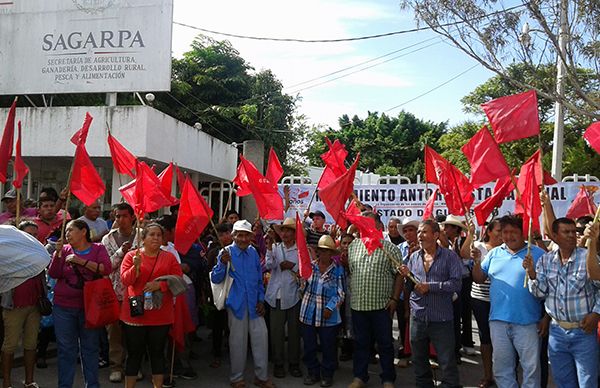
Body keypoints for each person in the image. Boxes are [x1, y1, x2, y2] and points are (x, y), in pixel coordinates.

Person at [472, 214, 546, 388]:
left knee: (531, 369)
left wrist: (546, 318)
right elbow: (479, 278)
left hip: (528, 322)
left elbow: (548, 289)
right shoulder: (494, 253)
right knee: (502, 369)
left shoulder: (538, 254)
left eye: (514, 232)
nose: (509, 236)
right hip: (498, 321)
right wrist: (476, 261)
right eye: (505, 232)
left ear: (523, 233)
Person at [524, 217, 600, 387]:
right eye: (566, 232)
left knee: (587, 382)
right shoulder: (545, 260)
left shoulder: (588, 258)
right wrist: (532, 275)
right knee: (563, 382)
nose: (572, 235)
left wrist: (597, 313)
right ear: (555, 236)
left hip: (584, 332)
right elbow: (539, 293)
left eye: (574, 232)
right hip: (557, 333)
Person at [210, 220, 275, 388]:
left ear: (251, 237)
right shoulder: (226, 253)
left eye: (246, 235)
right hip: (236, 304)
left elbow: (259, 280)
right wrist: (222, 263)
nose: (243, 239)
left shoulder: (253, 253)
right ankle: (236, 378)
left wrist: (261, 299)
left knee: (261, 338)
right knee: (237, 342)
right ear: (234, 236)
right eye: (240, 235)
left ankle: (261, 376)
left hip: (255, 304)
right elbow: (215, 279)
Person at [48, 219, 111, 388]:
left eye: (70, 230)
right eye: (66, 231)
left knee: (89, 348)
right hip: (63, 307)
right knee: (66, 350)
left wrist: (80, 261)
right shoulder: (64, 250)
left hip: (90, 306)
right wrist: (57, 255)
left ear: (83, 232)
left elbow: (106, 268)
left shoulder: (98, 248)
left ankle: (92, 385)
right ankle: (65, 385)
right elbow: (54, 274)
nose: (67, 234)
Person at [120, 222, 184, 388]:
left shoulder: (169, 257)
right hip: (135, 315)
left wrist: (160, 286)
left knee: (157, 354)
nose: (155, 238)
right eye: (151, 235)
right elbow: (126, 281)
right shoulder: (132, 256)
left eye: (159, 235)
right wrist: (136, 266)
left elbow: (178, 280)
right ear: (143, 238)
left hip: (160, 315)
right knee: (134, 354)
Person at [400, 219, 462, 388]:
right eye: (419, 232)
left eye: (424, 232)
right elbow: (411, 286)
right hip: (418, 317)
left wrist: (431, 287)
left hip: (441, 318)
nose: (420, 235)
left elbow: (456, 284)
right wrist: (407, 275)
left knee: (447, 361)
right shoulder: (413, 257)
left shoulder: (450, 257)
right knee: (419, 361)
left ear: (435, 235)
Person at [347, 212, 403, 388]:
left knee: (385, 344)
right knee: (361, 343)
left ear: (379, 227)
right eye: (362, 223)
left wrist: (394, 298)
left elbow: (400, 276)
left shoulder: (390, 249)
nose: (365, 227)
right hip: (358, 305)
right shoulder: (353, 246)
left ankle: (387, 379)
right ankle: (360, 377)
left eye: (368, 224)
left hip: (381, 306)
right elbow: (351, 270)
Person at [1, 221, 46, 388]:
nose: (33, 238)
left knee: (31, 344)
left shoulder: (39, 253)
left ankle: (29, 381)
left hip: (34, 306)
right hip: (13, 307)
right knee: (10, 345)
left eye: (35, 235)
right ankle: (7, 383)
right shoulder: (7, 254)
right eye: (29, 235)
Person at [462, 220, 502, 388]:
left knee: (501, 340)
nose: (501, 234)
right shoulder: (478, 246)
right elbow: (464, 254)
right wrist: (470, 234)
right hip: (480, 300)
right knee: (485, 338)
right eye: (499, 230)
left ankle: (503, 374)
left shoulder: (508, 249)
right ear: (489, 231)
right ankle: (487, 375)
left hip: (501, 300)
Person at [300, 235, 345, 387]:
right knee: (309, 346)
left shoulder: (338, 270)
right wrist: (300, 280)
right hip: (308, 313)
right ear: (318, 251)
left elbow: (341, 293)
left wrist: (330, 307)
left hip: (328, 316)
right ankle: (313, 373)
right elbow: (303, 288)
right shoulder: (310, 267)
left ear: (332, 253)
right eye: (322, 251)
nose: (324, 254)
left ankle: (327, 374)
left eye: (327, 251)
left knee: (328, 347)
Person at [101, 203, 137, 383]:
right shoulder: (107, 240)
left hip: (135, 293)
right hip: (114, 292)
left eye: (124, 216)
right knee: (114, 332)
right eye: (117, 216)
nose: (120, 220)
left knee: (135, 331)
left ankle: (133, 366)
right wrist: (121, 252)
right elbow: (106, 266)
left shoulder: (142, 235)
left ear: (132, 217)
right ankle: (116, 366)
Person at [265, 217, 302, 378]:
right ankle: (278, 363)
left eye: (289, 231)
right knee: (276, 332)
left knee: (294, 332)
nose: (285, 233)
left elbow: (305, 272)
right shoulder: (275, 248)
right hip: (276, 295)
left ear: (295, 234)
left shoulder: (300, 250)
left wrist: (292, 266)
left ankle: (294, 363)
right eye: (283, 230)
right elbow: (268, 266)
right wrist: (268, 249)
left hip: (293, 295)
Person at [205, 223, 233, 368]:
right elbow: (210, 274)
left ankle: (234, 349)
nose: (225, 237)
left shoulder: (239, 249)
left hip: (234, 293)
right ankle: (216, 352)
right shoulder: (214, 252)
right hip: (219, 294)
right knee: (218, 325)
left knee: (233, 324)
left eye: (227, 233)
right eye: (221, 235)